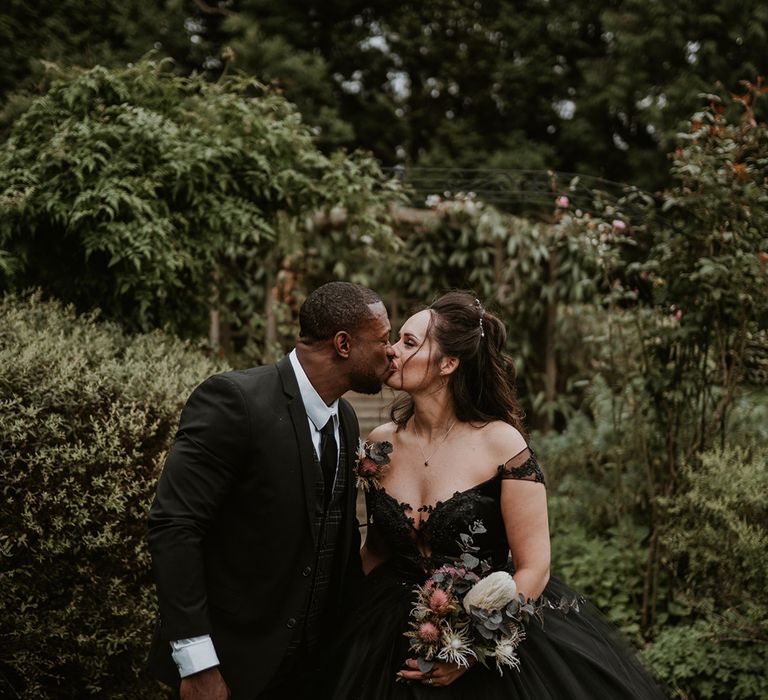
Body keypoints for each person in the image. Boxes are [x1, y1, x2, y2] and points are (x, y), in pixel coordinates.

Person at [323, 291, 667, 699]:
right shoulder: (381, 445)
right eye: (397, 340)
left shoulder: (502, 445)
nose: (392, 351)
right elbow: (377, 551)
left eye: (409, 343)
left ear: (448, 364)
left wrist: (470, 650)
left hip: (481, 636)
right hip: (384, 633)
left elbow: (534, 567)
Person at [145, 281, 397, 700]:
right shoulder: (234, 401)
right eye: (384, 339)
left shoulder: (347, 419)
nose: (390, 352)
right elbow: (175, 526)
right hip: (230, 669)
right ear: (343, 343)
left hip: (311, 672)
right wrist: (198, 664)